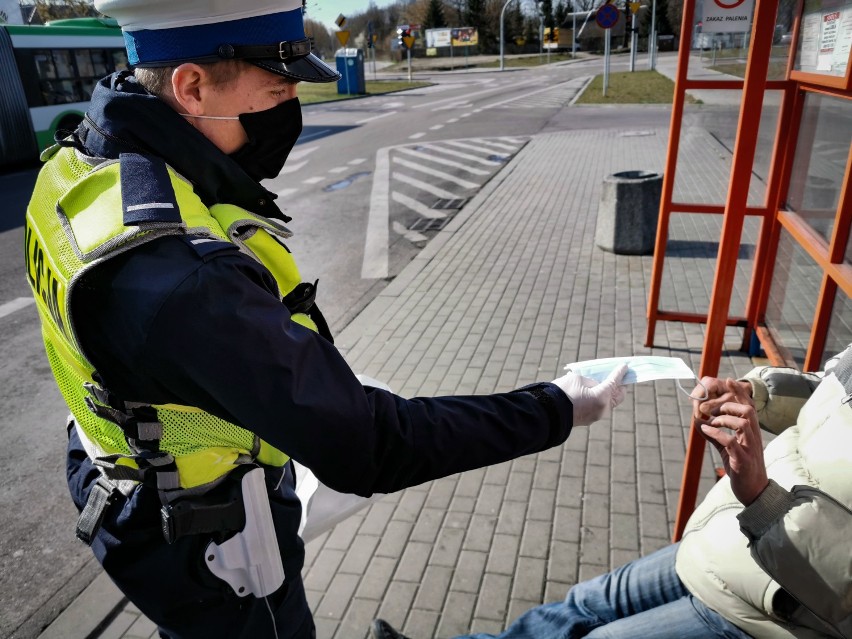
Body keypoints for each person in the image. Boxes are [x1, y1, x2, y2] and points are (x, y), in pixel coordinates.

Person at [23, 0, 629, 637]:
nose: (290, 108)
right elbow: (370, 447)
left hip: (125, 479)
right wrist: (557, 406)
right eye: (278, 86)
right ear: (192, 88)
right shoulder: (181, 277)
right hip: (214, 539)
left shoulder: (81, 164)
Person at [372, 344, 852, 639]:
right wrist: (756, 393)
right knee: (582, 604)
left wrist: (761, 498)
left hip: (775, 612)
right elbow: (826, 388)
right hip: (729, 537)